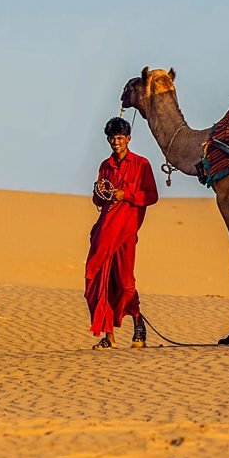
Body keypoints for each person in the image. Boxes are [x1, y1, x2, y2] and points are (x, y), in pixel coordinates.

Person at [85, 116, 159, 349]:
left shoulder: (141, 164)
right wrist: (99, 193)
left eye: (119, 138)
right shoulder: (105, 166)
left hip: (126, 233)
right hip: (104, 233)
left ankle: (137, 319)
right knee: (101, 282)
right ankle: (109, 337)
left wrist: (126, 195)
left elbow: (152, 196)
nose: (115, 142)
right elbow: (99, 200)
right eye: (112, 138)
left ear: (128, 138)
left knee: (126, 284)